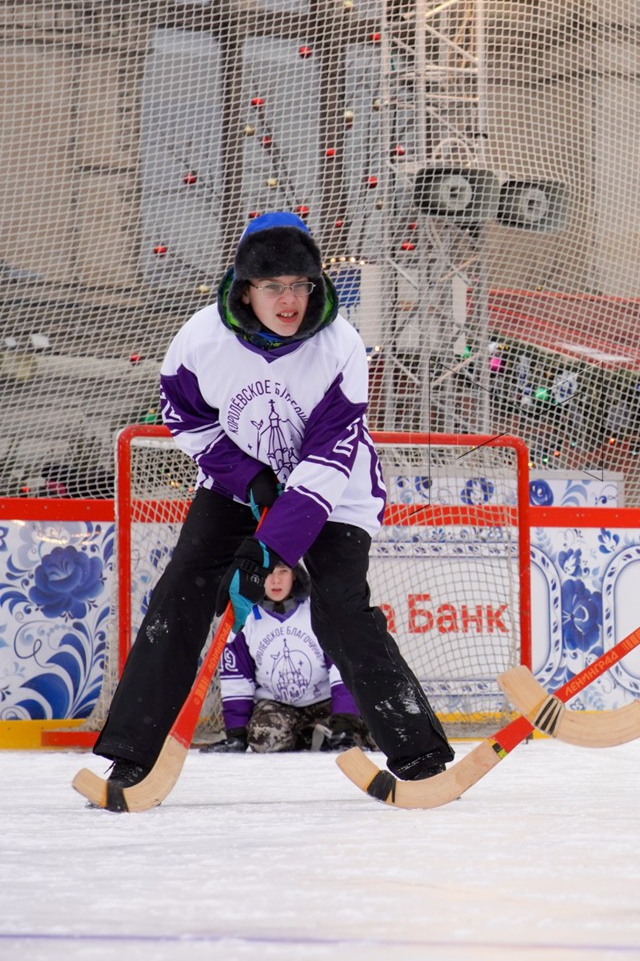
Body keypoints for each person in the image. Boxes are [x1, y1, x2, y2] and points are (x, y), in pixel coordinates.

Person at [90, 212, 454, 792]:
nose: (289, 301)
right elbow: (186, 419)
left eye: (300, 285)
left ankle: (418, 755)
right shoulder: (200, 340)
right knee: (181, 589)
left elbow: (331, 456)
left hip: (332, 494)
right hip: (239, 482)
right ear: (246, 288)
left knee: (340, 607)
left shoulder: (341, 346)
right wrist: (251, 480)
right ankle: (131, 753)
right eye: (273, 286)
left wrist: (273, 544)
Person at [213, 561, 374, 754]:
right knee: (263, 739)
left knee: (369, 735)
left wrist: (344, 722)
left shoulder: (318, 610)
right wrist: (236, 734)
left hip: (325, 702)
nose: (276, 580)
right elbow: (237, 679)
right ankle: (311, 736)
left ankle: (316, 733)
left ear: (295, 575)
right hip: (275, 705)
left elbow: (341, 668)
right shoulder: (243, 617)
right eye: (268, 573)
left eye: (283, 572)